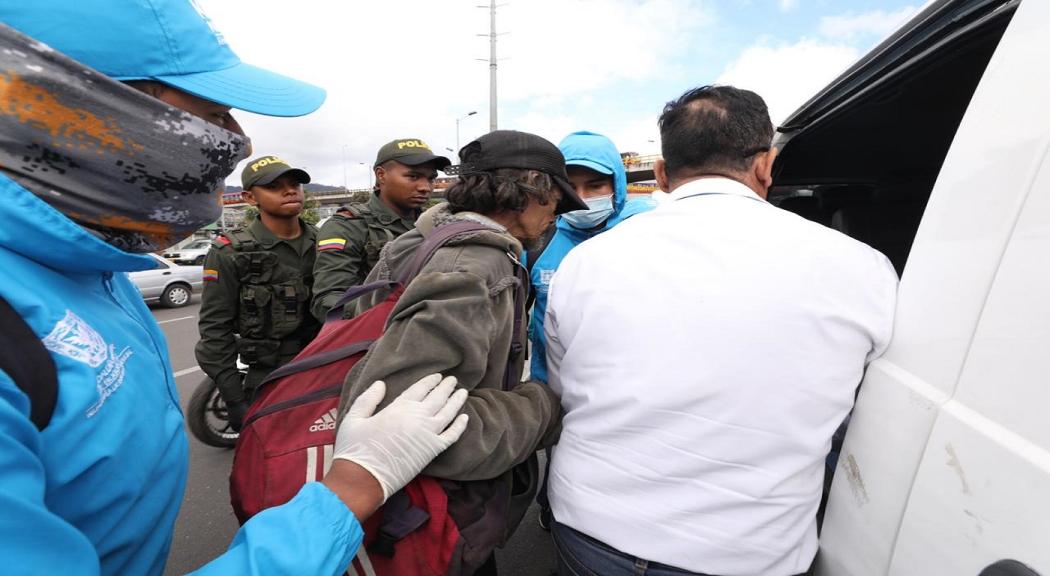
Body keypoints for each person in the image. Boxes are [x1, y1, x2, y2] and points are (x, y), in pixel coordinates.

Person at [0, 1, 469, 574]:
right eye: (211, 112)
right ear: (59, 103)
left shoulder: (92, 263)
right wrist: (350, 489)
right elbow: (222, 328)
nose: (237, 140)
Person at [543, 85, 899, 576]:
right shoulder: (865, 270)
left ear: (663, 175)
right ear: (766, 165)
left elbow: (563, 390)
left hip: (592, 531)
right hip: (751, 551)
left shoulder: (582, 264)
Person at [339, 130, 588, 575]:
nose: (555, 216)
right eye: (556, 200)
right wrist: (544, 407)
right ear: (532, 188)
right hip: (437, 516)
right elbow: (395, 421)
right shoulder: (476, 264)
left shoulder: (422, 241)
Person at [526, 131, 655, 530]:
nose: (581, 196)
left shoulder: (648, 230)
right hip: (555, 391)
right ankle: (556, 514)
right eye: (571, 185)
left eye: (595, 184)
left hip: (628, 392)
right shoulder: (539, 236)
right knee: (562, 465)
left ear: (616, 184)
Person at [195, 156, 320, 430]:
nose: (290, 191)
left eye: (295, 184)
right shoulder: (230, 252)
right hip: (268, 377)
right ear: (250, 197)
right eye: (275, 186)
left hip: (323, 367)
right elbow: (215, 330)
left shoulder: (325, 243)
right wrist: (234, 399)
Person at [311, 138, 451, 320]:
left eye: (431, 178)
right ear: (381, 175)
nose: (425, 187)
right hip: (376, 340)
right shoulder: (347, 227)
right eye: (413, 176)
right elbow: (329, 302)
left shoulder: (436, 225)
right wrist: (396, 311)